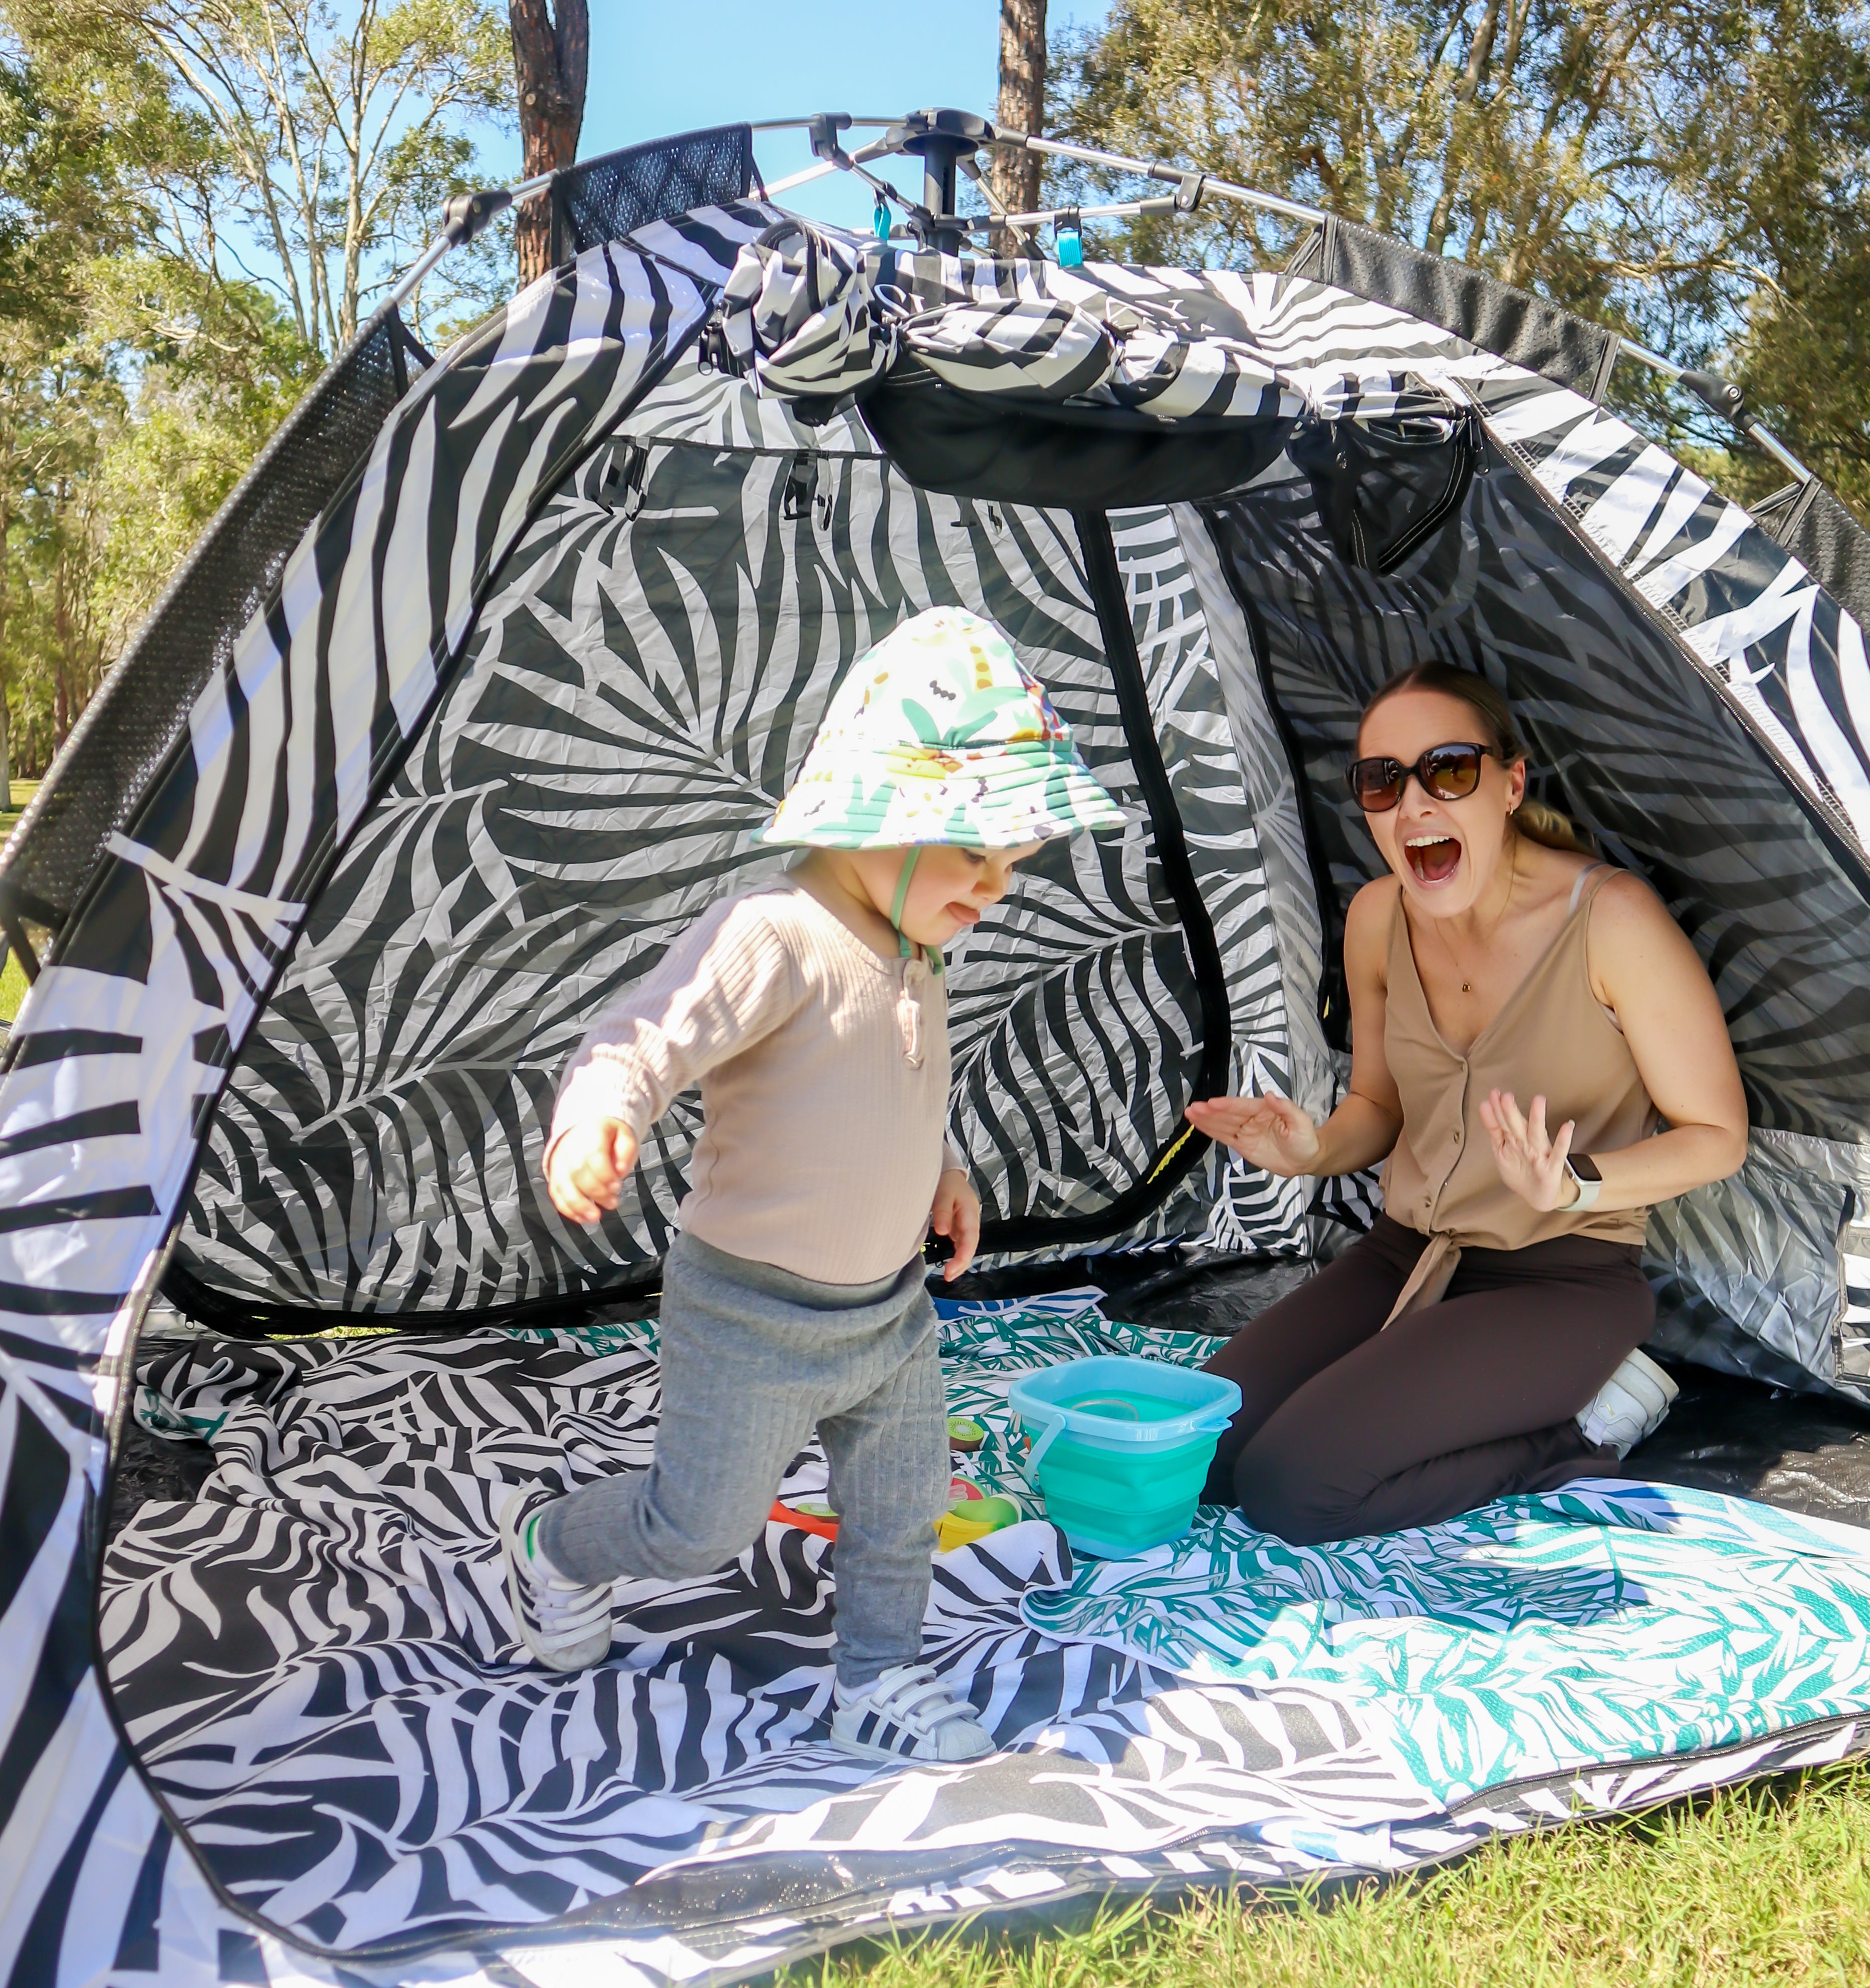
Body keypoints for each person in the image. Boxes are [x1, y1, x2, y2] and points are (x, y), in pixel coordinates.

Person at [497, 605, 1129, 1761]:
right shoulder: (775, 932)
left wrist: (941, 1170)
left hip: (886, 1310)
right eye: (975, 852)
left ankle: (875, 1681)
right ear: (884, 811)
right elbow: (647, 1034)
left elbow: (888, 1085)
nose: (995, 886)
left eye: (1014, 864)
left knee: (903, 1505)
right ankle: (559, 1544)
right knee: (696, 1527)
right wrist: (599, 1114)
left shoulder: (915, 944)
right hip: (751, 1314)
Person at [1187, 659, 1748, 1546]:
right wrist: (1313, 1152)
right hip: (1401, 1255)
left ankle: (1581, 1430)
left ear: (1510, 784)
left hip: (1559, 1282)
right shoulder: (1378, 918)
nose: (1415, 802)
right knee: (1201, 1452)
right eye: (1384, 781)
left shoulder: (1610, 919)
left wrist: (1576, 1184)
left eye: (1448, 769)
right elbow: (1379, 1104)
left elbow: (1717, 1136)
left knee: (1291, 1489)